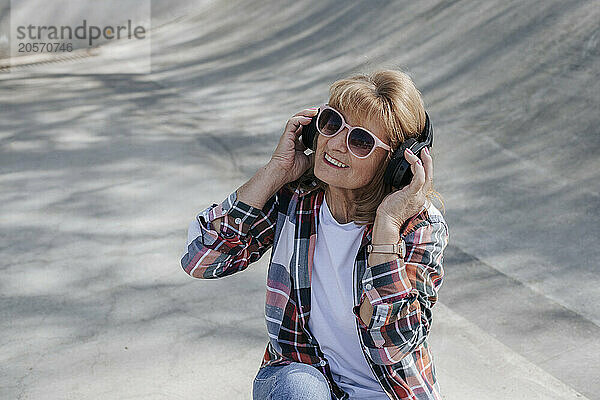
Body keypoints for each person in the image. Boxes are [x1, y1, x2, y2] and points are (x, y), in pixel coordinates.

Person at [181, 69, 450, 400]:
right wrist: (274, 172)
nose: (335, 144)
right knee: (299, 389)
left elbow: (393, 344)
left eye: (361, 140)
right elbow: (202, 258)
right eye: (332, 123)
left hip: (391, 393)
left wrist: (387, 226)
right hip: (303, 378)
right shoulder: (294, 198)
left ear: (396, 163)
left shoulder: (419, 226)